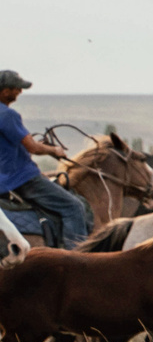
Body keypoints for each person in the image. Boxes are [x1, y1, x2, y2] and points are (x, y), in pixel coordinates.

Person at [0, 69, 89, 247]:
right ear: (5, 91)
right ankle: (76, 257)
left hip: (3, 181)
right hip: (22, 179)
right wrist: (53, 150)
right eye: (17, 88)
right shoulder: (8, 114)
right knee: (73, 207)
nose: (20, 91)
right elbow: (32, 147)